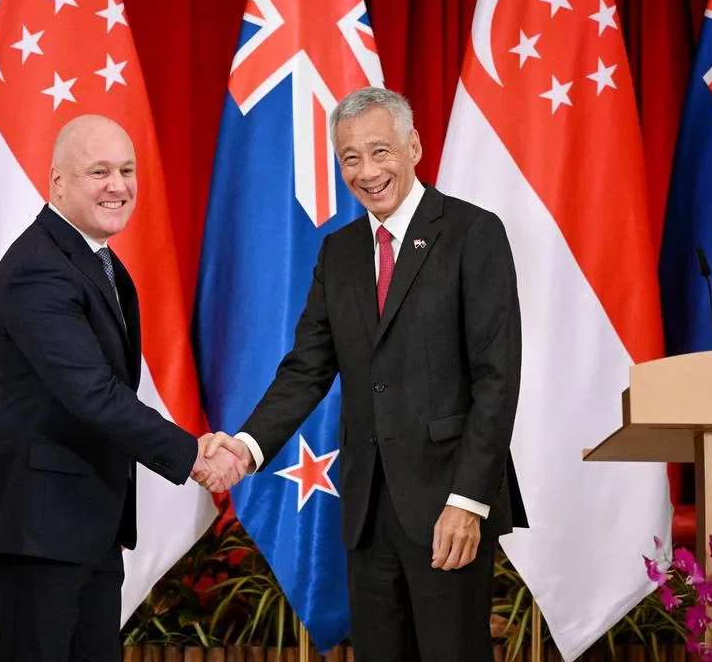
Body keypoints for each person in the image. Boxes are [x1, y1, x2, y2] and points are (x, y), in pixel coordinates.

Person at [207, 87, 528, 660]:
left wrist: (468, 501)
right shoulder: (339, 253)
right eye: (350, 157)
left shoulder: (471, 233)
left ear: (414, 147)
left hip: (446, 506)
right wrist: (247, 447)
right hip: (366, 512)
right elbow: (307, 368)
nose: (367, 171)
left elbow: (496, 380)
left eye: (380, 151)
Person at [0, 114, 243, 661]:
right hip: (32, 532)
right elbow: (92, 393)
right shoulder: (39, 270)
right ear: (57, 182)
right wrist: (193, 454)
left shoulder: (95, 262)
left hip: (79, 525)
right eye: (99, 171)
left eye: (127, 170)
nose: (118, 185)